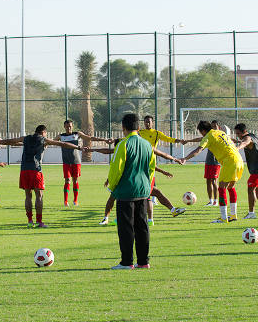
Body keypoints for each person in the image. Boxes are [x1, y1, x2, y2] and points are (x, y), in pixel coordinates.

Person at [0, 125, 85, 228]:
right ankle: (39, 221)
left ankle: (30, 221)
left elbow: (10, 141)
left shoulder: (26, 138)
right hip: (36, 170)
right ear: (43, 132)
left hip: (24, 170)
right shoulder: (42, 139)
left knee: (28, 196)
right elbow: (62, 143)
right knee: (39, 195)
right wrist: (78, 147)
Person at [108, 114, 156, 270]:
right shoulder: (148, 145)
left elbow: (116, 169)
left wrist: (113, 187)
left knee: (126, 228)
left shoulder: (123, 145)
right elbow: (151, 168)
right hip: (143, 190)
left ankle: (127, 262)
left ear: (123, 128)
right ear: (139, 127)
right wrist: (146, 184)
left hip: (126, 191)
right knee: (142, 226)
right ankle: (143, 261)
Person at [181, 121, 244, 223]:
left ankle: (223, 218)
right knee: (231, 187)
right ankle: (233, 215)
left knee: (221, 188)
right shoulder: (220, 132)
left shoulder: (208, 136)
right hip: (239, 160)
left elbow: (198, 150)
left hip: (230, 161)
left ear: (202, 131)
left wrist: (185, 158)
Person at [53, 119, 112, 206]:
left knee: (75, 180)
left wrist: (104, 140)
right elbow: (51, 141)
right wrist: (44, 145)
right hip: (66, 162)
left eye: (70, 126)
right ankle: (65, 201)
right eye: (67, 126)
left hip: (76, 161)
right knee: (67, 181)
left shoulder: (77, 134)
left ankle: (75, 200)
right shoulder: (61, 136)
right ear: (64, 127)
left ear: (72, 126)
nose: (69, 128)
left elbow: (90, 138)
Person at [138, 115, 185, 217]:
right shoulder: (140, 133)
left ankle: (151, 217)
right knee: (149, 194)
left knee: (151, 192)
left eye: (149, 122)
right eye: (145, 122)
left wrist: (179, 141)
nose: (147, 124)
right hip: (142, 164)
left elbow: (168, 139)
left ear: (152, 122)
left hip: (151, 162)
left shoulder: (156, 133)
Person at [234, 123, 258, 219]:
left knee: (251, 188)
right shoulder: (253, 136)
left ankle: (251, 213)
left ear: (244, 132)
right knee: (257, 189)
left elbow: (245, 142)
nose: (237, 135)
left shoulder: (247, 138)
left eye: (238, 133)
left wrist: (237, 148)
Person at [203, 120, 222, 207]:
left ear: (219, 127)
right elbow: (200, 139)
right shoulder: (209, 135)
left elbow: (230, 140)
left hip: (216, 161)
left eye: (215, 126)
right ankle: (210, 201)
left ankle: (216, 201)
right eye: (212, 126)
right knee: (208, 181)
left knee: (214, 181)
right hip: (208, 161)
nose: (213, 128)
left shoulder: (221, 135)